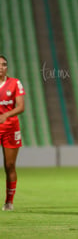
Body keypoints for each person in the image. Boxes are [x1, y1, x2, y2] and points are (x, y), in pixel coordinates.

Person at [0, 55, 25, 211]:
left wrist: (6, 115)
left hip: (10, 128)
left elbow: (21, 106)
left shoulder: (15, 83)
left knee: (9, 165)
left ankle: (9, 202)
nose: (1, 67)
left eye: (4, 64)